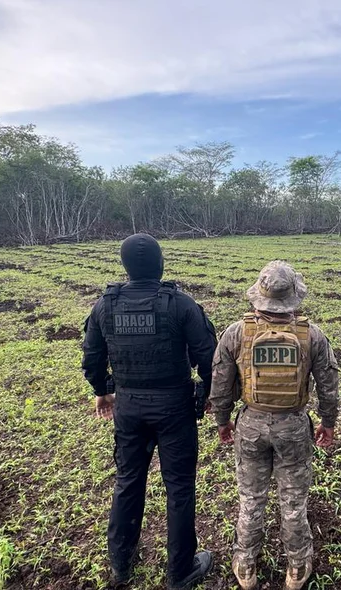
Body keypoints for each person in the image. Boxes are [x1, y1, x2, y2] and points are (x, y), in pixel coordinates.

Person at [82, 233, 217, 589]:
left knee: (128, 481)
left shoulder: (104, 305)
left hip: (128, 406)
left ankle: (121, 563)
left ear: (125, 268)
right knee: (180, 487)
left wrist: (102, 391)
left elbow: (92, 357)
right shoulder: (181, 304)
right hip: (174, 408)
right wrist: (207, 393)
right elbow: (209, 357)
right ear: (160, 265)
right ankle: (180, 570)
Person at [210, 260, 340, 590]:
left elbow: (221, 385)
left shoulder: (237, 333)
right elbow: (328, 385)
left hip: (251, 424)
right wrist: (328, 423)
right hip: (294, 427)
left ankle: (246, 564)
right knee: (294, 503)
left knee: (250, 500)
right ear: (294, 296)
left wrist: (223, 422)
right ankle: (297, 569)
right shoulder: (312, 335)